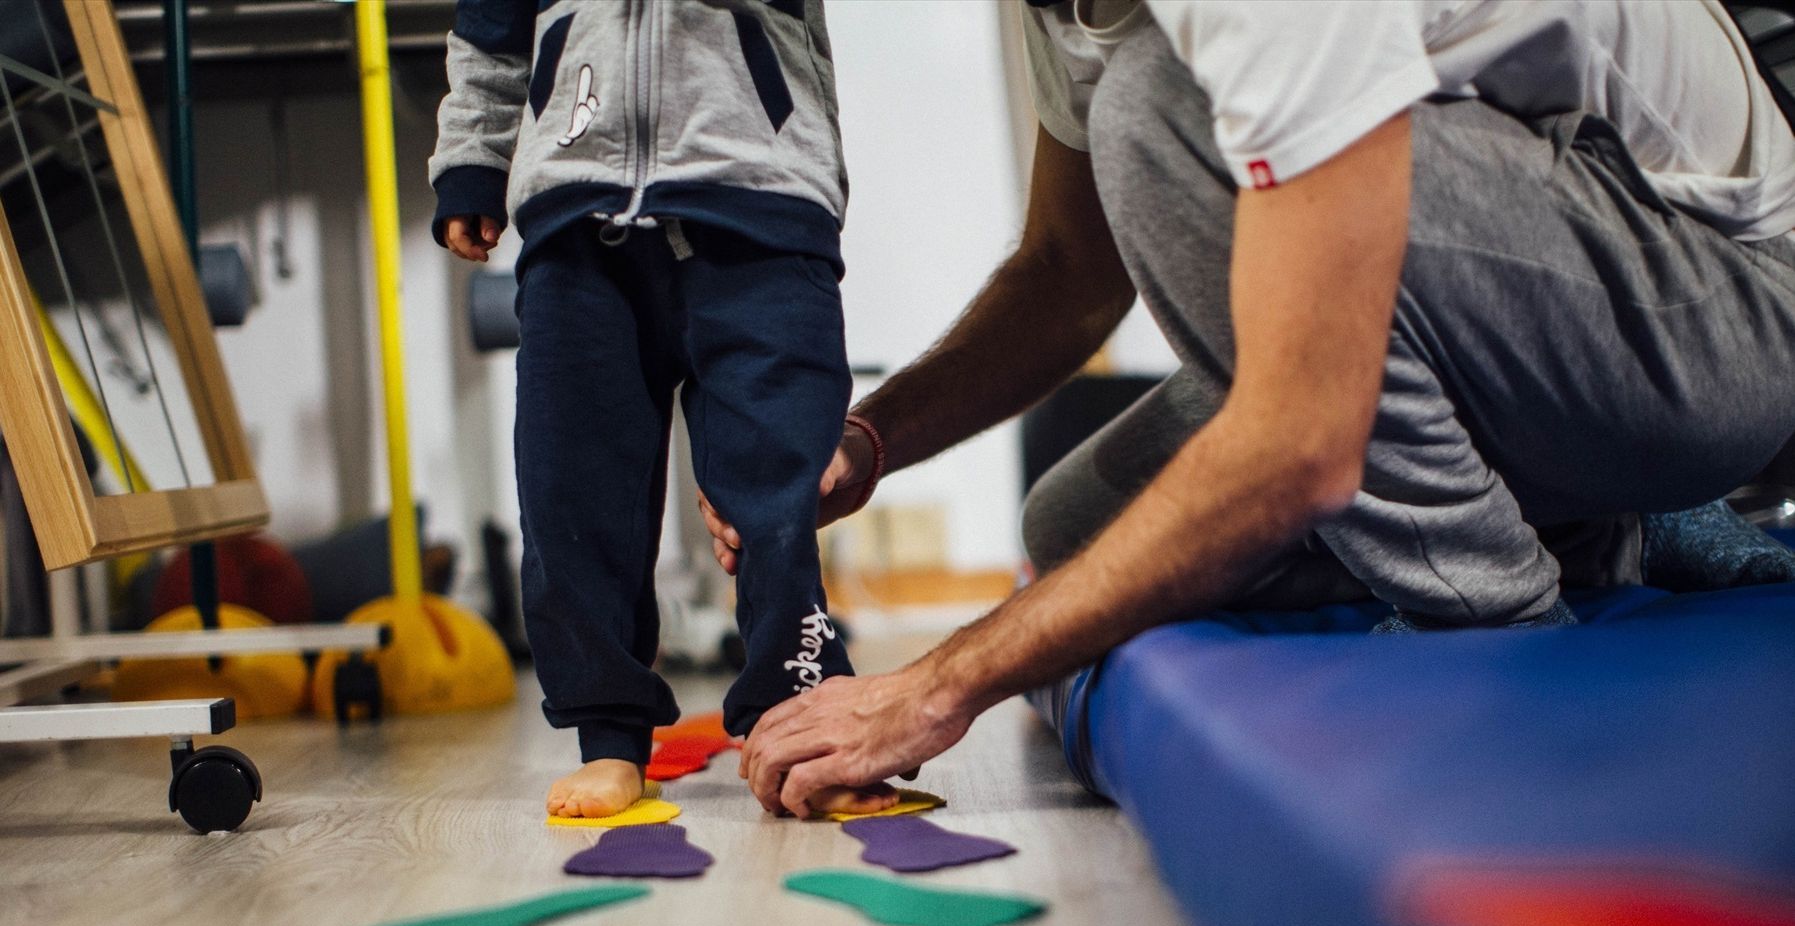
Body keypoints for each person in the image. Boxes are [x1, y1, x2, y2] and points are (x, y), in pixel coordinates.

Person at [711, 0, 1795, 816]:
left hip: (1722, 309)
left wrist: (939, 685)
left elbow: (1301, 446)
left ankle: (1488, 611)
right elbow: (1065, 270)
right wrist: (870, 440)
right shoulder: (1059, 9)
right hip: (1541, 306)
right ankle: (1613, 525)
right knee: (1078, 525)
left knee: (1159, 103)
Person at [430, 0, 896, 818]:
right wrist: (474, 159)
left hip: (758, 195)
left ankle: (800, 714)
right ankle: (608, 736)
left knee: (773, 487)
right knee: (571, 492)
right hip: (577, 215)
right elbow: (489, 32)